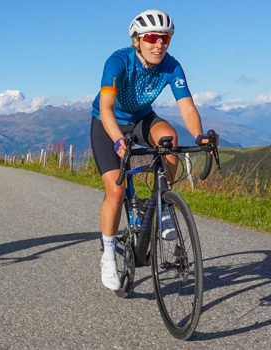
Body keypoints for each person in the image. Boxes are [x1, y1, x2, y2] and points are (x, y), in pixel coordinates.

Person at [90, 10, 210, 290]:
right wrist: (118, 139)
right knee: (116, 191)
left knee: (168, 137)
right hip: (108, 123)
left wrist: (200, 136)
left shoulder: (171, 65)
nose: (159, 44)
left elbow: (187, 106)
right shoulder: (118, 61)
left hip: (142, 118)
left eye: (165, 39)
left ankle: (162, 203)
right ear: (137, 40)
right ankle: (108, 256)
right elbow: (106, 108)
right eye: (152, 38)